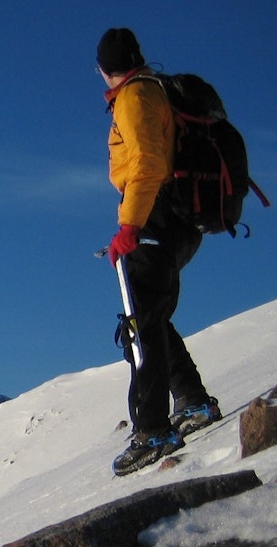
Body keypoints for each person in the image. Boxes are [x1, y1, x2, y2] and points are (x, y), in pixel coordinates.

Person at [97, 27, 221, 475]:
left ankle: (152, 429)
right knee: (151, 316)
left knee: (141, 326)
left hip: (156, 214)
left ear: (104, 71)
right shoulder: (159, 90)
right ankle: (192, 401)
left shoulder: (134, 98)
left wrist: (129, 226)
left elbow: (148, 164)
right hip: (179, 216)